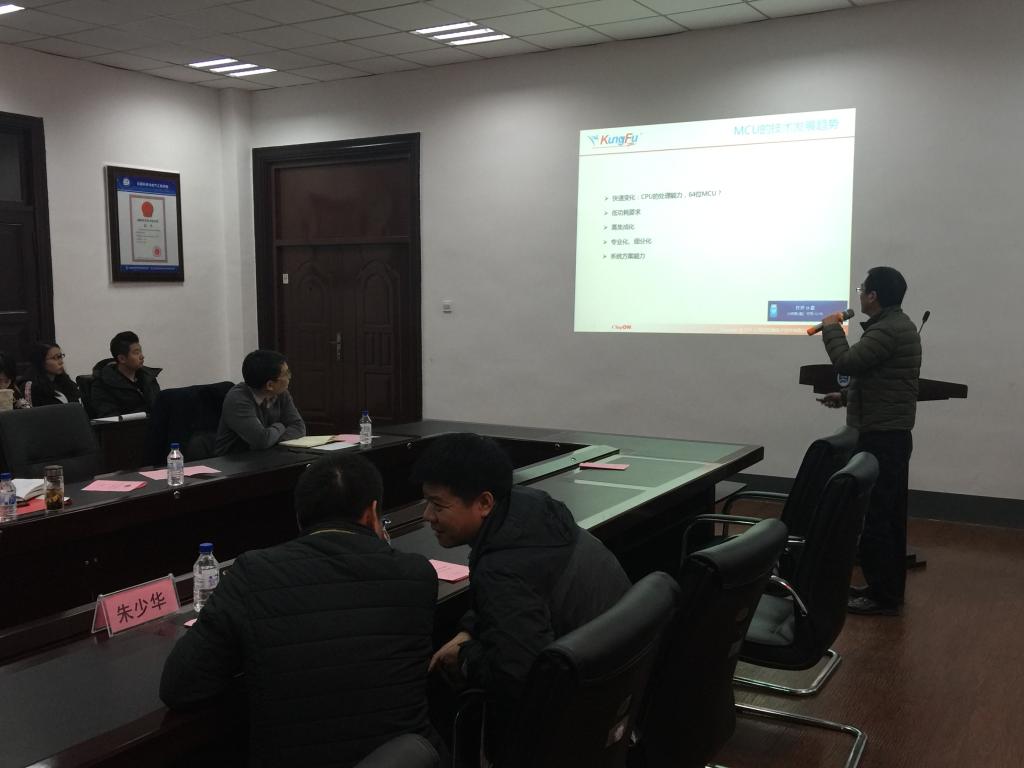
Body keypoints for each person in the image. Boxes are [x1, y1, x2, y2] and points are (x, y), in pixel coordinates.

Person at [160, 452, 445, 767]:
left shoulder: (254, 573)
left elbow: (179, 687)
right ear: (372, 513)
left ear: (299, 517)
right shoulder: (416, 574)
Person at [412, 433, 631, 761]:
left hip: (577, 715)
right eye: (426, 502)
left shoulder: (501, 568)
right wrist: (471, 629)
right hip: (619, 687)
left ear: (484, 503)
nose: (427, 515)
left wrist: (467, 657)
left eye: (438, 505)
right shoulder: (531, 510)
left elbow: (518, 676)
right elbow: (522, 598)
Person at [819, 266, 921, 616]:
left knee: (879, 518)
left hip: (883, 438)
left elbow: (847, 361)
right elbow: (882, 380)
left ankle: (882, 596)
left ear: (874, 296)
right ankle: (883, 588)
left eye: (863, 289)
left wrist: (831, 328)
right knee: (886, 516)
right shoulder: (893, 326)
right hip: (887, 433)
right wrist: (846, 397)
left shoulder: (887, 330)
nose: (860, 294)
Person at [215, 349, 306, 455]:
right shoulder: (237, 399)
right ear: (270, 385)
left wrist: (270, 438)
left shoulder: (281, 393)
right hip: (235, 460)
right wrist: (281, 426)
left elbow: (299, 427)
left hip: (270, 454)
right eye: (286, 374)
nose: (289, 377)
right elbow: (261, 441)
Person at [89, 331, 162, 417]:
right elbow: (111, 418)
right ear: (122, 359)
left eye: (141, 351)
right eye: (136, 353)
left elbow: (159, 405)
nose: (142, 356)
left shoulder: (148, 377)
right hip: (130, 425)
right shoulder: (102, 384)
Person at [22, 341, 80, 408]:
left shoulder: (64, 381)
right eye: (55, 358)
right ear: (41, 362)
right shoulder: (31, 387)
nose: (61, 362)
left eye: (60, 356)